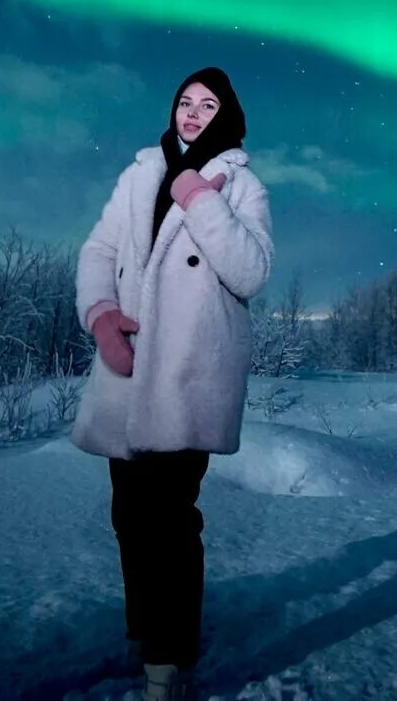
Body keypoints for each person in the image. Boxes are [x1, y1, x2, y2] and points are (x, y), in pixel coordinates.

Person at [72, 66, 274, 701]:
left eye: (206, 104)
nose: (191, 113)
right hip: (128, 369)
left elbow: (252, 272)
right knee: (129, 515)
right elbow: (98, 250)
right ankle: (147, 632)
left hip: (190, 373)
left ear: (226, 114)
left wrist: (199, 198)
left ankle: (167, 662)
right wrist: (101, 315)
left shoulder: (242, 185)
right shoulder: (139, 172)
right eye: (184, 101)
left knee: (169, 520)